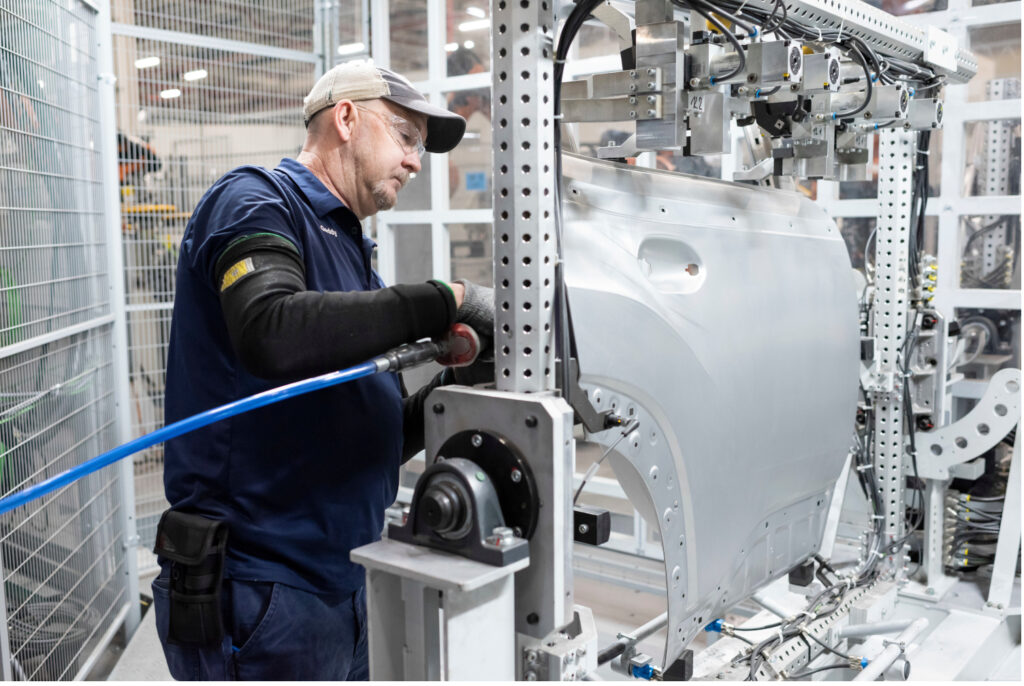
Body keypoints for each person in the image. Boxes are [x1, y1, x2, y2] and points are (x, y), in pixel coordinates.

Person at [153, 59, 493, 680]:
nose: (416, 161)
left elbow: (370, 432)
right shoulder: (254, 201)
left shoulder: (354, 256)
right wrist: (447, 297)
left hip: (345, 579)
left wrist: (464, 382)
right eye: (406, 136)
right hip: (262, 589)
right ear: (345, 118)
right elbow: (273, 331)